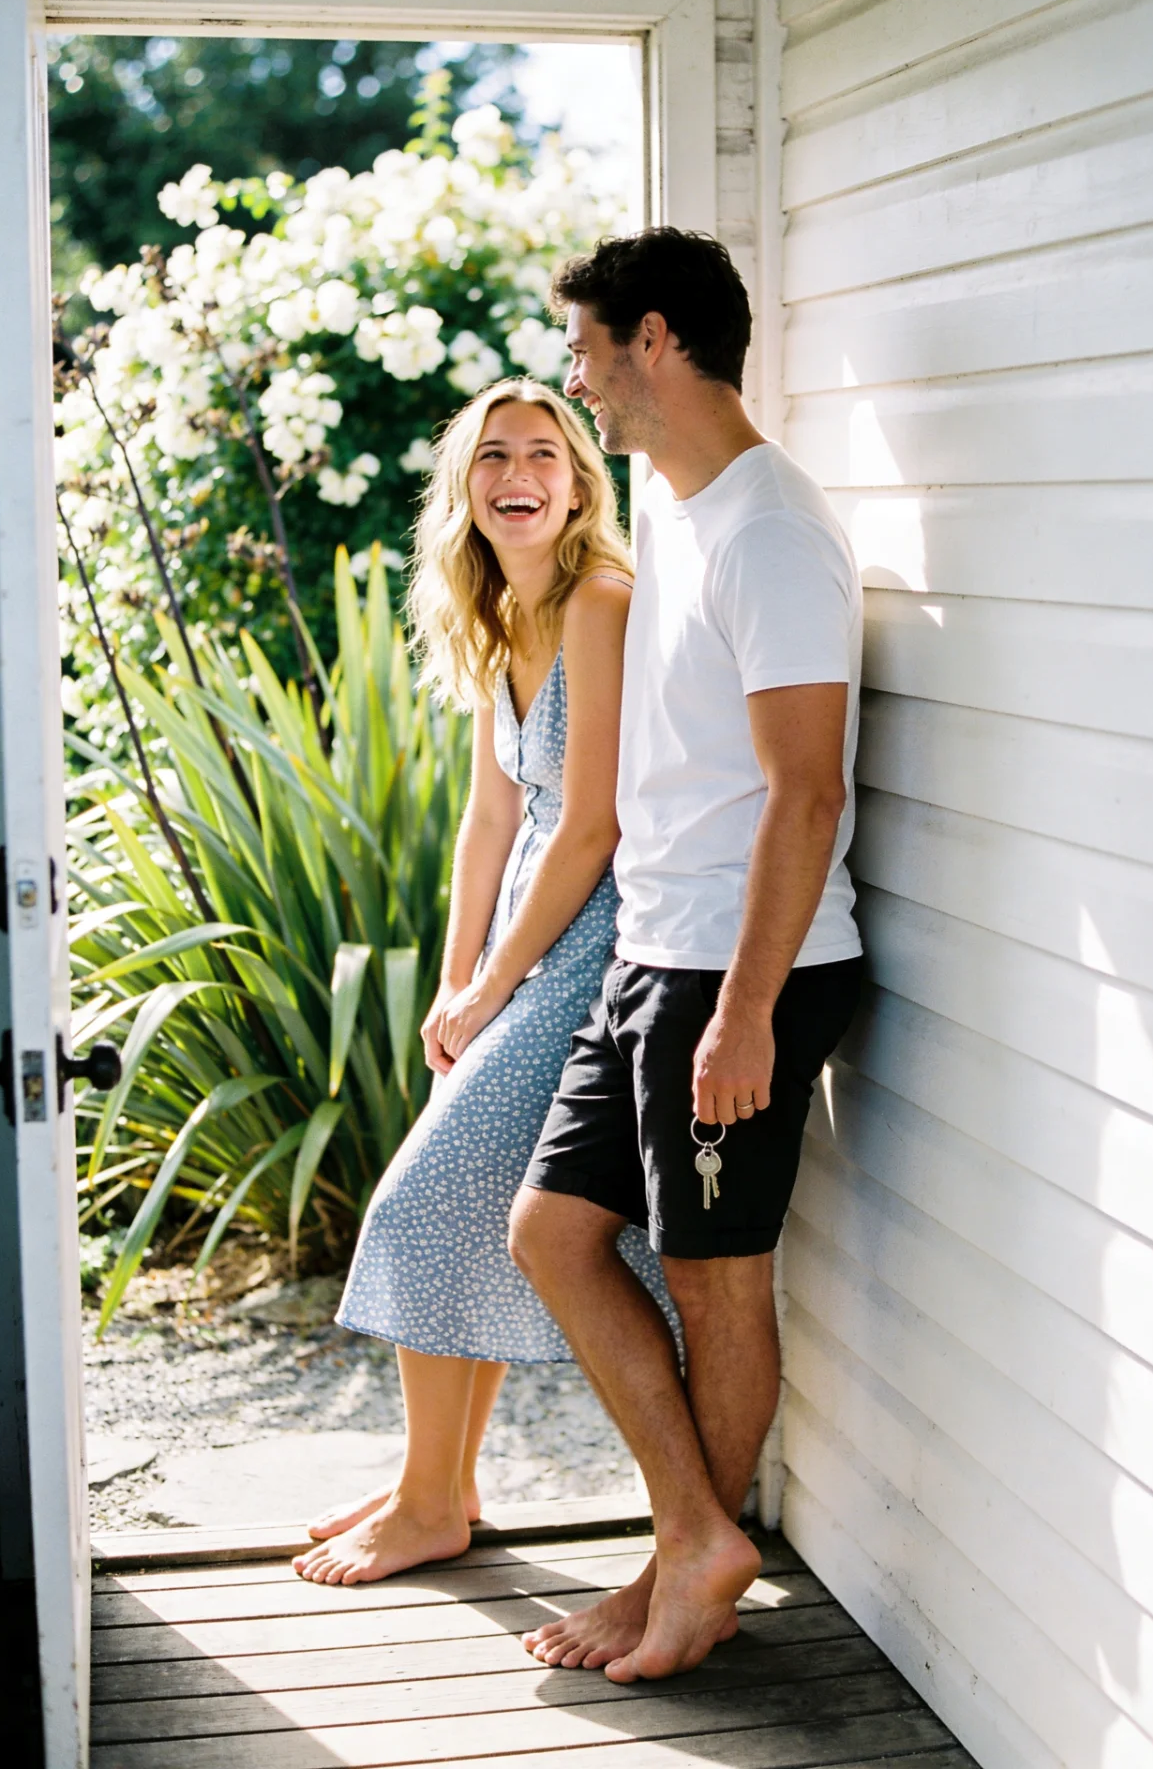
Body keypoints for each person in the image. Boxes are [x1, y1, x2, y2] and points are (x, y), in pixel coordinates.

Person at [508, 227, 865, 1680]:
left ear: (656, 340)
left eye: (588, 352)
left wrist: (750, 1012)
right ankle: (694, 1542)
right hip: (660, 958)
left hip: (738, 972)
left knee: (718, 1280)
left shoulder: (770, 531)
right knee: (552, 1234)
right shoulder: (683, 512)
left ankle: (685, 1576)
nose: (581, 384)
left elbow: (808, 788)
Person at [296, 375, 668, 1587]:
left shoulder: (603, 599)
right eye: (496, 455)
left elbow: (590, 824)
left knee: (419, 1203)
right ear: (465, 487)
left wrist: (496, 985)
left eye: (545, 454)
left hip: (596, 940)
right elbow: (490, 816)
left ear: (578, 483)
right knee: (466, 1205)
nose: (521, 474)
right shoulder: (501, 616)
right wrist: (455, 987)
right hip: (522, 938)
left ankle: (429, 1501)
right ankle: (439, 1487)